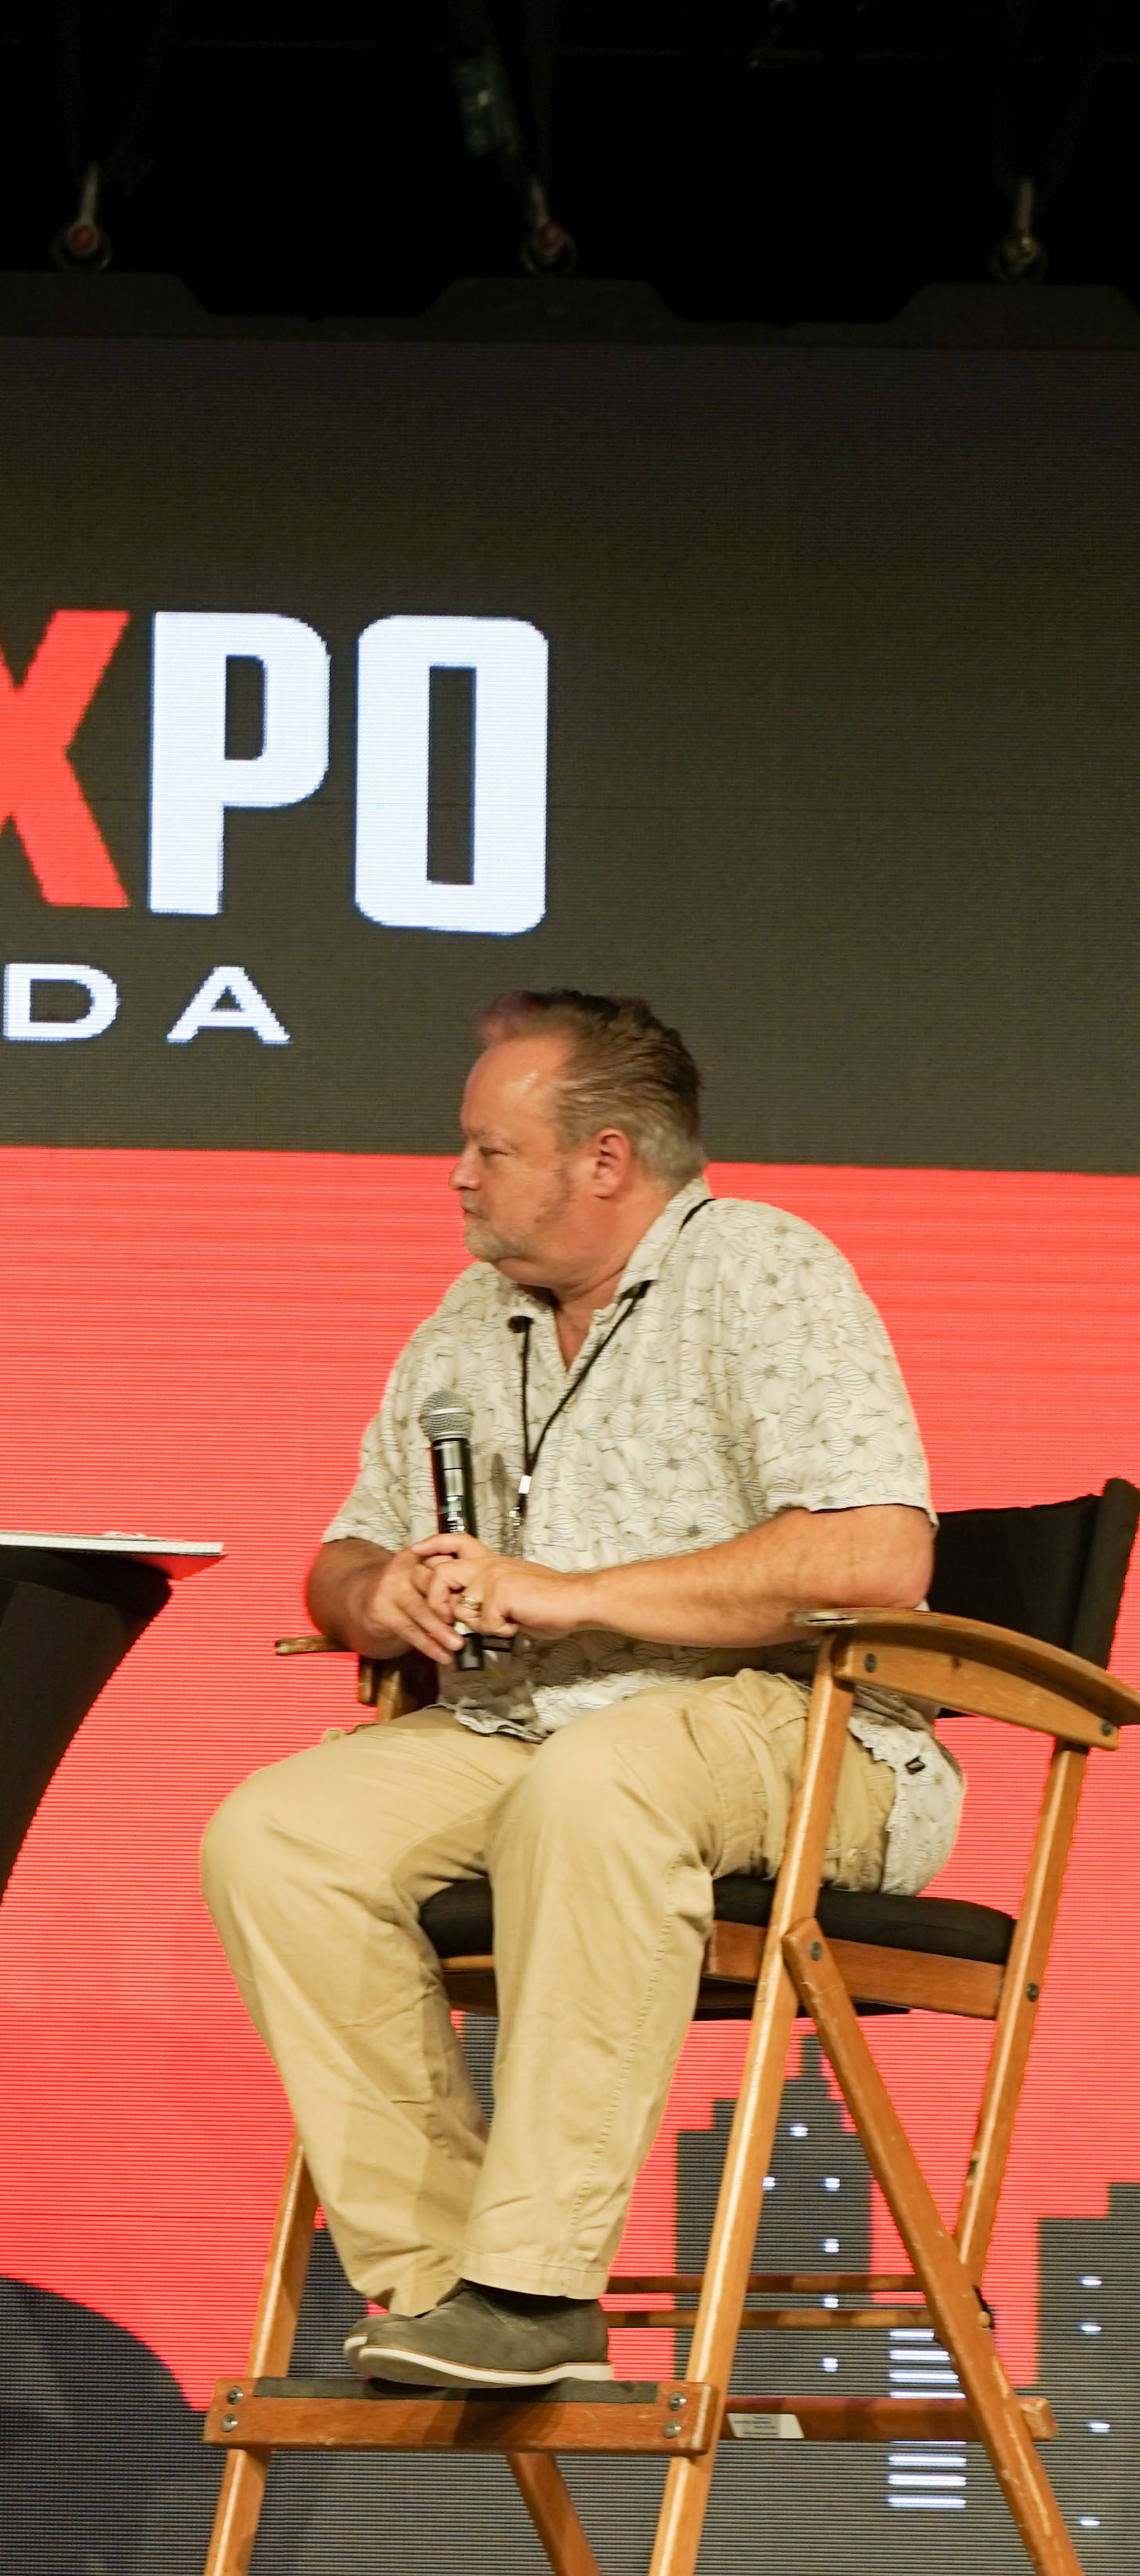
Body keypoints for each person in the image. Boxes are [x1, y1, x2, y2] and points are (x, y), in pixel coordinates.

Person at [202, 989, 953, 2391]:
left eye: (489, 1147)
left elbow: (875, 1550)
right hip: (524, 1723)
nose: (458, 1173)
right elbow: (345, 1551)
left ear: (603, 1159)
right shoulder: (469, 1320)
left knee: (595, 1784)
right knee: (275, 1835)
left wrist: (572, 1589)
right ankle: (442, 2285)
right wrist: (381, 1595)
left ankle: (535, 2282)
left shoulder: (762, 1272)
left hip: (789, 1725)